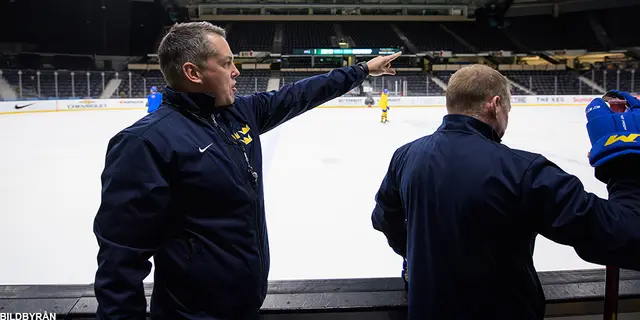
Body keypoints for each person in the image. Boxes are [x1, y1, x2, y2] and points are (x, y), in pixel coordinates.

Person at [93, 21, 401, 320]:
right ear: (193, 72)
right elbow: (121, 260)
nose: (236, 70)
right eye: (226, 63)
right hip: (191, 314)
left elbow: (300, 95)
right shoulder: (145, 143)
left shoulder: (239, 113)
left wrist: (362, 70)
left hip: (246, 305)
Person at [370, 64, 640, 320]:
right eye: (508, 110)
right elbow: (624, 235)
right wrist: (623, 162)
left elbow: (384, 218)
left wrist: (416, 255)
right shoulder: (525, 171)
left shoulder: (405, 156)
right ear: (496, 105)